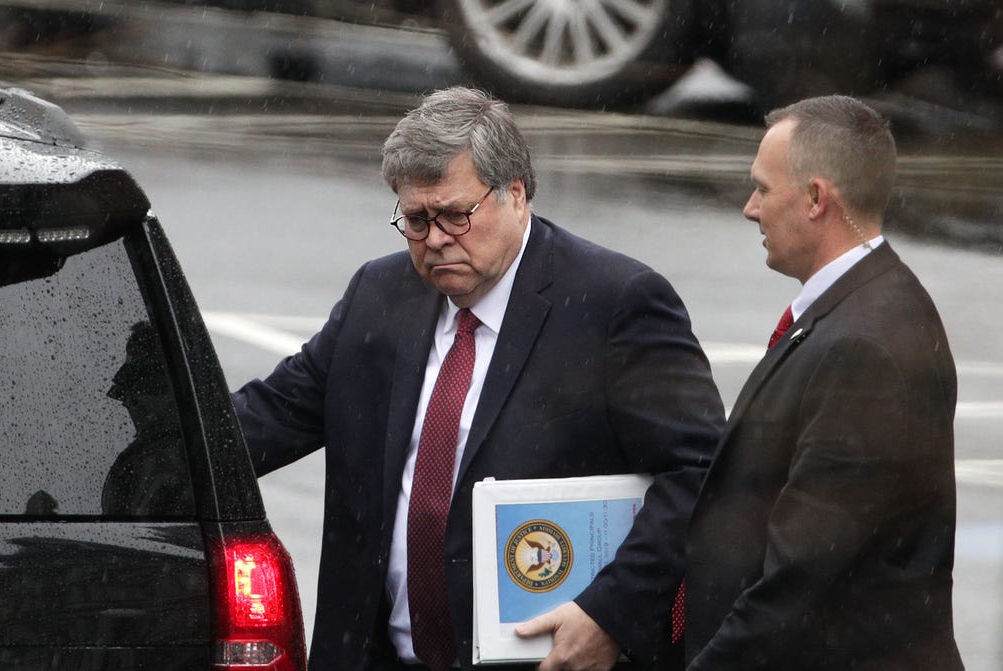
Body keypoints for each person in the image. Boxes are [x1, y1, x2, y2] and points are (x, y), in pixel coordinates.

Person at [233, 86, 724, 671]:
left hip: (544, 658)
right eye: (416, 220)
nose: (436, 238)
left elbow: (702, 475)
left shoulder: (614, 304)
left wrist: (611, 614)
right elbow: (266, 417)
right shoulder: (378, 294)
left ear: (516, 194)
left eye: (455, 215)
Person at [683, 95, 963, 670]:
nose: (749, 208)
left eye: (762, 188)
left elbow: (801, 578)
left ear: (816, 199)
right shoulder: (868, 305)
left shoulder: (864, 346)